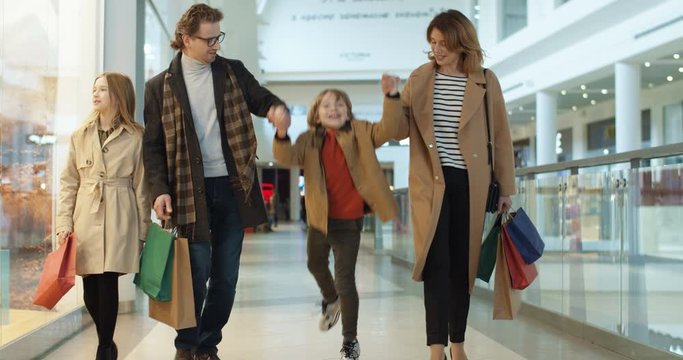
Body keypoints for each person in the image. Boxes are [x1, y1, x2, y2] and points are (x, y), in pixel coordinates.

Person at [142, 4, 290, 360]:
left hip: (232, 186)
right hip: (187, 190)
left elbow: (261, 98)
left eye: (218, 37)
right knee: (195, 273)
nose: (215, 46)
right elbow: (153, 147)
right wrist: (159, 189)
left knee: (225, 276)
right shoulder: (158, 87)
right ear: (185, 40)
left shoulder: (233, 72)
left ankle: (207, 344)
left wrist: (275, 109)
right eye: (208, 39)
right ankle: (187, 345)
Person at [393, 10, 516, 360]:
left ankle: (458, 344)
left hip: (471, 184)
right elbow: (399, 128)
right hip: (430, 184)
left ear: (461, 41)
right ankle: (436, 347)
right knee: (435, 263)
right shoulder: (420, 79)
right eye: (432, 43)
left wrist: (505, 187)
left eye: (443, 43)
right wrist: (391, 99)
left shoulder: (485, 81)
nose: (437, 50)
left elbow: (502, 136)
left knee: (463, 265)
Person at [270, 77, 406, 360]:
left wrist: (392, 95)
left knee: (346, 280)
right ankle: (331, 300)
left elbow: (390, 128)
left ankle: (349, 341)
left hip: (349, 221)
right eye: (327, 105)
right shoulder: (308, 140)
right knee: (315, 263)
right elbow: (287, 157)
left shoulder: (360, 131)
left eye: (339, 104)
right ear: (316, 113)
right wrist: (282, 132)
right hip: (320, 219)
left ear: (348, 109)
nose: (334, 109)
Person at [56, 72, 150, 360]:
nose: (95, 94)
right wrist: (63, 223)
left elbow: (142, 185)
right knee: (90, 289)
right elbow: (69, 182)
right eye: (94, 89)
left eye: (103, 90)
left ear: (118, 95)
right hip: (86, 215)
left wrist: (144, 230)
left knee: (108, 280)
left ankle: (104, 348)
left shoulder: (136, 136)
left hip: (120, 214)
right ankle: (107, 342)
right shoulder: (80, 135)